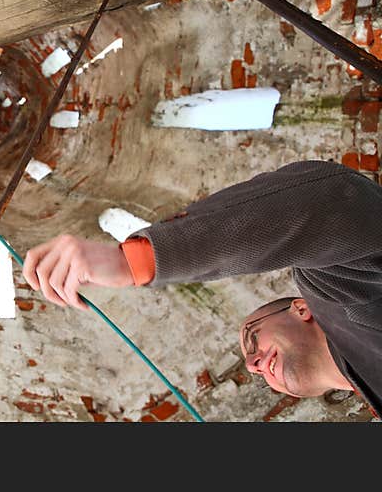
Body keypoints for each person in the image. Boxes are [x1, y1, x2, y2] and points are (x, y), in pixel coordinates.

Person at [22, 160, 382, 416]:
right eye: (252, 365)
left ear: (302, 309)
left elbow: (334, 201)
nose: (255, 365)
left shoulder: (340, 292)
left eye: (253, 339)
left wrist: (135, 261)